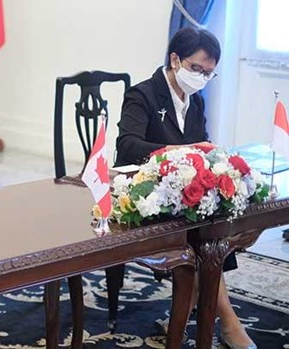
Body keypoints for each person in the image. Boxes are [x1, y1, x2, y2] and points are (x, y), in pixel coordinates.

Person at [115, 27, 256, 349]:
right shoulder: (144, 93)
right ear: (175, 59)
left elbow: (200, 147)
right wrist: (181, 151)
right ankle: (230, 325)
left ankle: (187, 307)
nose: (202, 78)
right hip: (144, 189)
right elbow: (127, 145)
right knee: (205, 237)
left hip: (181, 191)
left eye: (209, 73)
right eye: (196, 69)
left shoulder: (196, 100)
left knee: (215, 224)